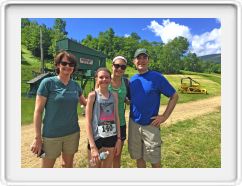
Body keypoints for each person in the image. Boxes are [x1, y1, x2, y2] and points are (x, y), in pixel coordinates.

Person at [30, 50, 87, 168]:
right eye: (64, 63)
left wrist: (99, 92)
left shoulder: (76, 85)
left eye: (71, 64)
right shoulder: (47, 83)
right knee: (47, 169)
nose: (68, 66)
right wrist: (37, 138)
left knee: (67, 165)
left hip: (72, 133)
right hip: (50, 136)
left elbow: (86, 103)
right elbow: (38, 111)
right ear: (57, 65)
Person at [128, 48, 179, 168]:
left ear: (148, 60)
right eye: (138, 58)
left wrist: (165, 116)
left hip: (151, 125)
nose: (141, 60)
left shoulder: (157, 77)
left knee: (154, 159)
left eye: (144, 57)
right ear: (134, 61)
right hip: (134, 124)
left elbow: (174, 95)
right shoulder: (132, 80)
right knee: (138, 157)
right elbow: (132, 99)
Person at [86, 67, 122, 168]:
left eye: (107, 77)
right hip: (96, 138)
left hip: (111, 137)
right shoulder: (92, 96)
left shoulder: (114, 95)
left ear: (110, 79)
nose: (104, 80)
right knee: (93, 167)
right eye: (101, 77)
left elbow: (116, 117)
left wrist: (118, 139)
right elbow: (88, 122)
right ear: (96, 79)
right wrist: (92, 145)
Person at [108, 56, 130, 168]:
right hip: (105, 124)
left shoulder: (126, 82)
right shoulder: (104, 80)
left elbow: (129, 100)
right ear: (112, 66)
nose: (119, 69)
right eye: (117, 66)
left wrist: (127, 100)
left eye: (123, 67)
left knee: (117, 155)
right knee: (106, 156)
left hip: (120, 123)